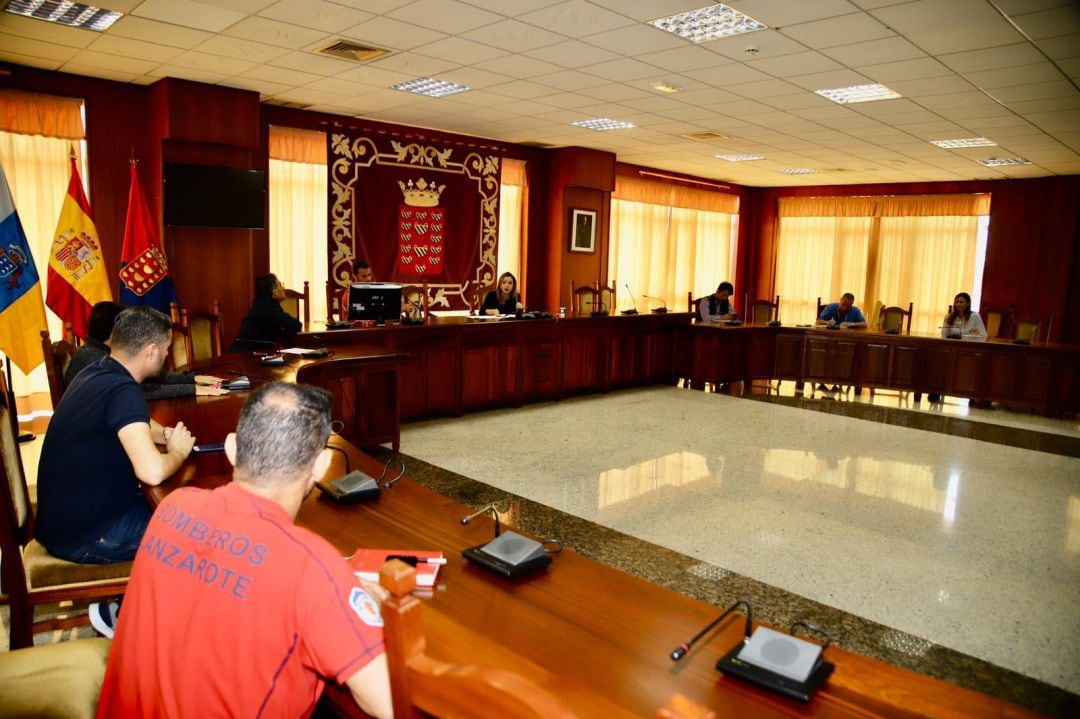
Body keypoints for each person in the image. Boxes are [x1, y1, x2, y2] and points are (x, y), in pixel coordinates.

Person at [95, 383, 393, 719]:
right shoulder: (313, 569)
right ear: (321, 466)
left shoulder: (173, 507)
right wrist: (365, 608)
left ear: (232, 449)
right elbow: (387, 704)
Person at [36, 306, 196, 567]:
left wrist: (163, 434)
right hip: (90, 536)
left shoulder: (97, 371)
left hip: (64, 524)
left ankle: (118, 606)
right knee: (205, 532)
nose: (168, 355)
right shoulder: (124, 389)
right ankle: (149, 606)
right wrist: (178, 450)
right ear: (151, 351)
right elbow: (152, 472)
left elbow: (136, 420)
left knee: (179, 507)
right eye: (166, 348)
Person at [65, 301, 227, 399]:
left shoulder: (102, 354)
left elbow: (152, 377)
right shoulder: (95, 361)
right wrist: (191, 389)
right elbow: (137, 391)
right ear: (115, 332)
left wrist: (191, 379)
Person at [230, 273, 302, 351]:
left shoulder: (262, 303)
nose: (283, 288)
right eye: (281, 285)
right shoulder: (269, 305)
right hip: (244, 354)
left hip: (247, 351)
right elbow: (295, 325)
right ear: (274, 292)